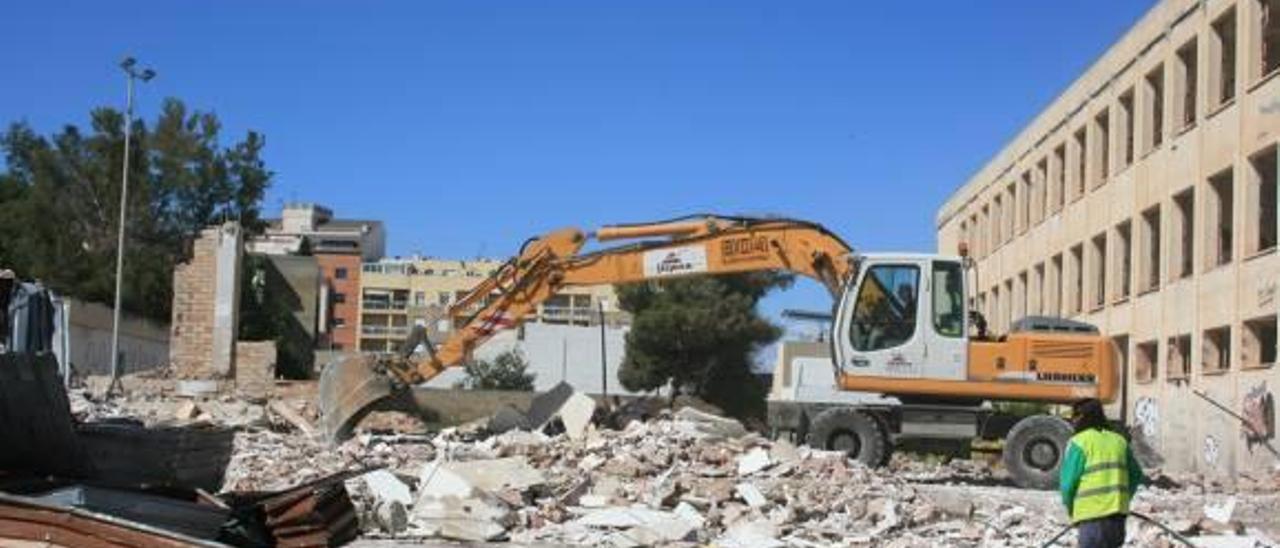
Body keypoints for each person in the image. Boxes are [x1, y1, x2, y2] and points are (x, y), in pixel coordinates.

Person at [1058, 398, 1144, 548]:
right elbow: (1136, 475)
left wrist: (1072, 510)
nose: (1072, 422)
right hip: (1117, 519)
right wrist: (1122, 499)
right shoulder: (1119, 441)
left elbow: (1067, 484)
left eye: (1074, 417)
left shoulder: (1080, 442)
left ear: (1081, 417)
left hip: (1091, 519)